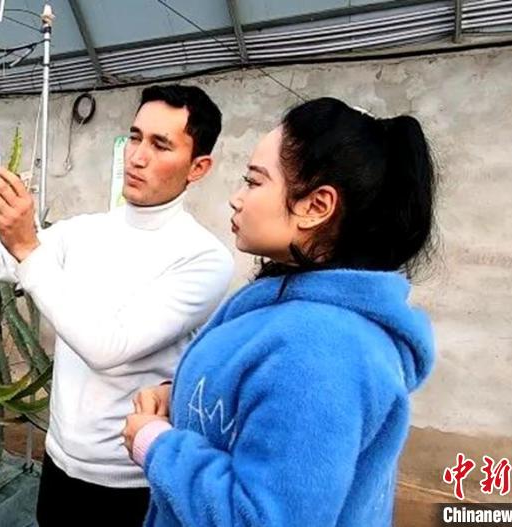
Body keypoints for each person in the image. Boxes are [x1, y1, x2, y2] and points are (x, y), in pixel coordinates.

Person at [123, 97, 437, 526]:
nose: (236, 199)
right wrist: (182, 397)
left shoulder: (321, 351)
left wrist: (155, 444)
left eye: (253, 182)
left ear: (316, 207)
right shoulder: (292, 305)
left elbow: (263, 517)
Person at [0, 84, 234, 526]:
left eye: (160, 145)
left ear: (198, 167)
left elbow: (108, 347)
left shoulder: (204, 258)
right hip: (59, 463)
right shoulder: (83, 231)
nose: (137, 157)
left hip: (129, 480)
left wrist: (27, 246)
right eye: (135, 137)